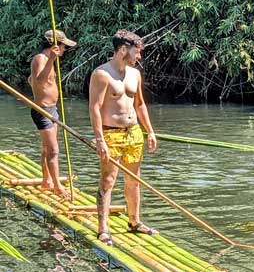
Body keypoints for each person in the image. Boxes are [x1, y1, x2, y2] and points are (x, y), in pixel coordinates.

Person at [88, 30, 159, 247]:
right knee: (108, 180)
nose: (138, 57)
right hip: (111, 133)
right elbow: (95, 108)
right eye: (136, 53)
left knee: (134, 179)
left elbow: (140, 104)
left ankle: (135, 221)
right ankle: (103, 228)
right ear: (122, 50)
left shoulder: (135, 74)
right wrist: (100, 139)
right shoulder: (102, 74)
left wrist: (150, 131)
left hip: (134, 132)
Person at [27, 29, 77, 199]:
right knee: (53, 150)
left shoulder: (45, 60)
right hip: (43, 111)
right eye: (63, 46)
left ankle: (46, 180)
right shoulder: (41, 58)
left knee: (47, 148)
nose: (64, 50)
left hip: (52, 109)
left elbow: (33, 79)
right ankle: (57, 186)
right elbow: (40, 79)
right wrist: (52, 60)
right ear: (55, 45)